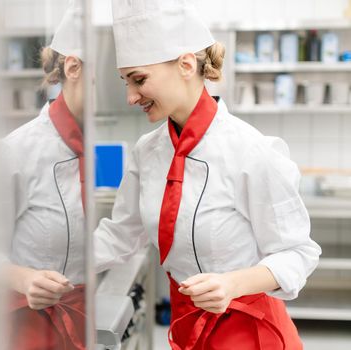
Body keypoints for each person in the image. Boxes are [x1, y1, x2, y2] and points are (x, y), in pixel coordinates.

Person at [93, 0, 321, 348]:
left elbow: (297, 253)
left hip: (248, 332)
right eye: (125, 81)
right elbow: (120, 235)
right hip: (186, 327)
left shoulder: (252, 151)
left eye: (139, 79)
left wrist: (232, 284)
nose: (129, 96)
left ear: (186, 65)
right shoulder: (147, 152)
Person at [1, 1, 86, 349]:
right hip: (31, 327)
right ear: (74, 67)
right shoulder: (16, 151)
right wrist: (25, 278)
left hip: (84, 318)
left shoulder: (102, 143)